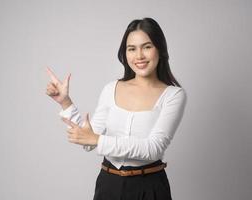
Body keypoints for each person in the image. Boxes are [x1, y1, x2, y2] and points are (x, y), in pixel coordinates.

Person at [46, 17, 187, 200]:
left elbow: (153, 149)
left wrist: (98, 140)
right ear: (125, 53)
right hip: (108, 185)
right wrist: (65, 102)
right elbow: (89, 139)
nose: (139, 56)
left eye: (147, 46)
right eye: (131, 49)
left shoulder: (173, 95)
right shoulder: (111, 88)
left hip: (150, 187)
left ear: (159, 49)